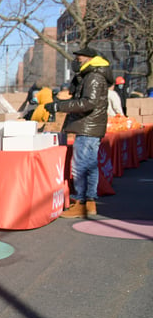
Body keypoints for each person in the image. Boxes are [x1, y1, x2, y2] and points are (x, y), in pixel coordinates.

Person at [45, 47, 112, 218]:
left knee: (81, 166)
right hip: (89, 126)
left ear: (90, 59)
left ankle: (81, 201)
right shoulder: (91, 76)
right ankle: (88, 202)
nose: (76, 62)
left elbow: (88, 103)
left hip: (88, 127)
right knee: (88, 164)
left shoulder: (94, 77)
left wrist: (59, 106)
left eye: (79, 59)